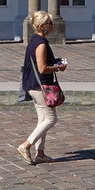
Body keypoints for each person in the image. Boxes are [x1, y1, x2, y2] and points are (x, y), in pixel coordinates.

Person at [17, 10, 66, 165]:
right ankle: (26, 145)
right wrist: (58, 68)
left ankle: (41, 154)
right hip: (40, 86)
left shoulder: (36, 40)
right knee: (51, 119)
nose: (52, 26)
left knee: (43, 119)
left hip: (34, 84)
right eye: (50, 23)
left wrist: (56, 62)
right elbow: (42, 68)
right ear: (43, 26)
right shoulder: (41, 44)